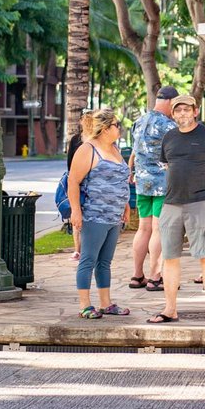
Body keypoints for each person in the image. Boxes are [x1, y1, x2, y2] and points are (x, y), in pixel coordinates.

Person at [149, 94, 205, 327]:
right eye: (178, 110)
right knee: (170, 258)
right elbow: (169, 167)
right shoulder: (169, 137)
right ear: (173, 113)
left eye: (186, 109)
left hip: (200, 203)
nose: (182, 113)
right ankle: (170, 309)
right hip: (171, 204)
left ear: (195, 111)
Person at [67, 109, 131, 319]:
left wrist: (125, 205)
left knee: (105, 262)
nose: (119, 129)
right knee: (88, 260)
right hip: (94, 216)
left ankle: (106, 303)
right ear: (104, 129)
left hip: (114, 216)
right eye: (116, 125)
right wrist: (76, 211)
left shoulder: (114, 148)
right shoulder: (88, 150)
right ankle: (85, 305)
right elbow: (73, 181)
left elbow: (121, 180)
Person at [127, 85, 178, 292]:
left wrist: (132, 171)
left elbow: (134, 152)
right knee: (158, 229)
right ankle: (155, 277)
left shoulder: (139, 121)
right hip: (162, 184)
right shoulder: (169, 126)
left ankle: (137, 275)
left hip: (142, 183)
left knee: (143, 228)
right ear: (170, 102)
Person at [64, 124, 84, 261]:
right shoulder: (76, 139)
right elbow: (70, 161)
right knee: (77, 213)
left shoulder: (98, 139)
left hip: (93, 183)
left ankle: (85, 249)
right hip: (78, 180)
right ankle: (77, 250)